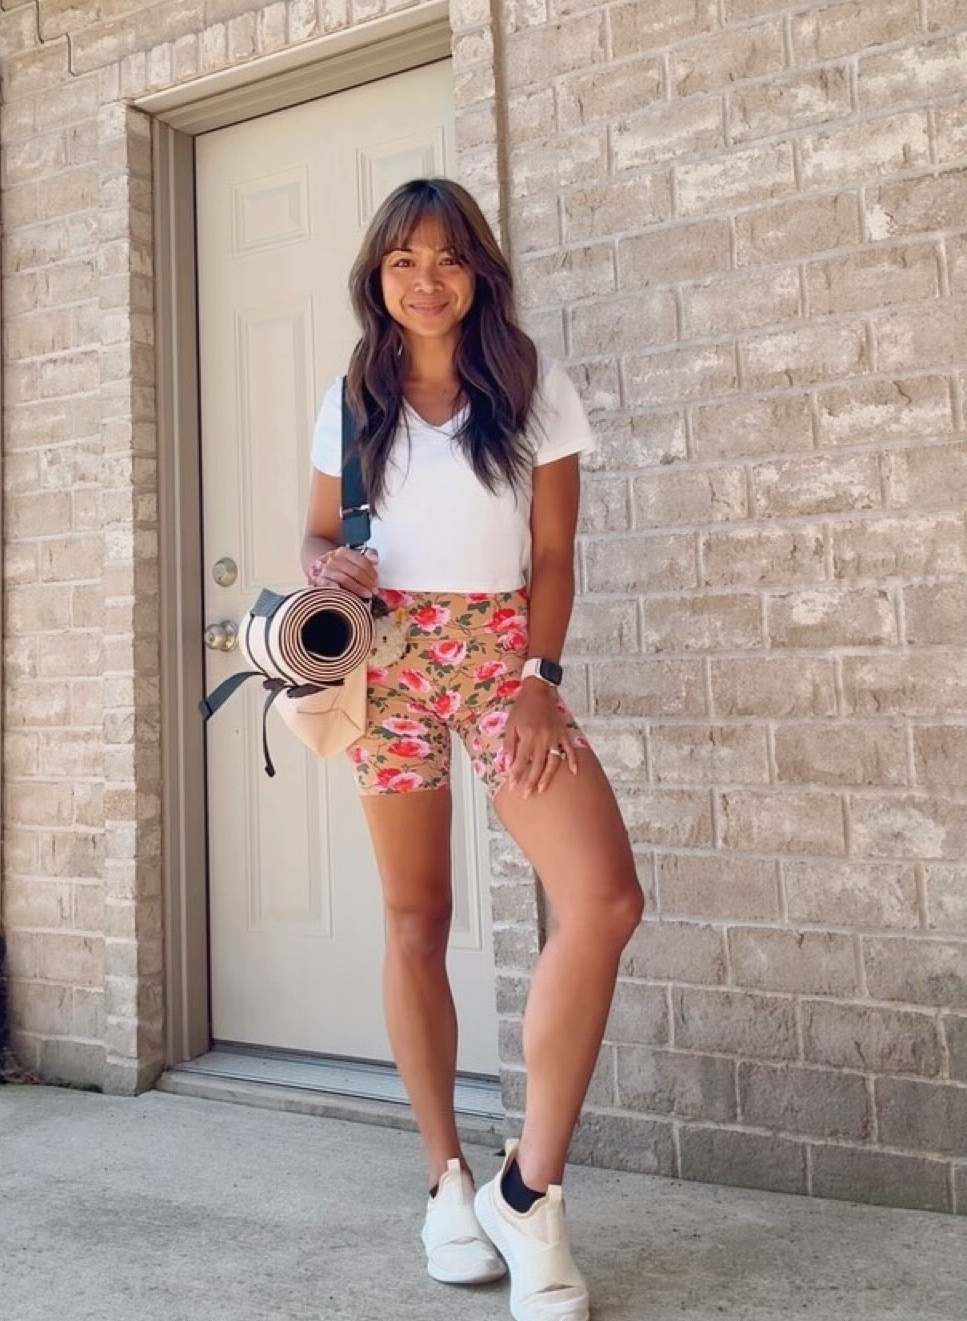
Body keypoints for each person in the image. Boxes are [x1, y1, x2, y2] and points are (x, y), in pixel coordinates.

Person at [301, 179, 643, 1321]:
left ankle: (526, 1188)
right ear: (378, 278)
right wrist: (324, 566)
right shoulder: (352, 397)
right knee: (416, 920)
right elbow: (315, 531)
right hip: (388, 657)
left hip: (503, 658)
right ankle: (444, 1177)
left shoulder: (531, 387)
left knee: (601, 900)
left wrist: (541, 678)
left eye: (447, 258)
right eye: (404, 261)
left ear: (478, 271)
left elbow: (555, 556)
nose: (427, 279)